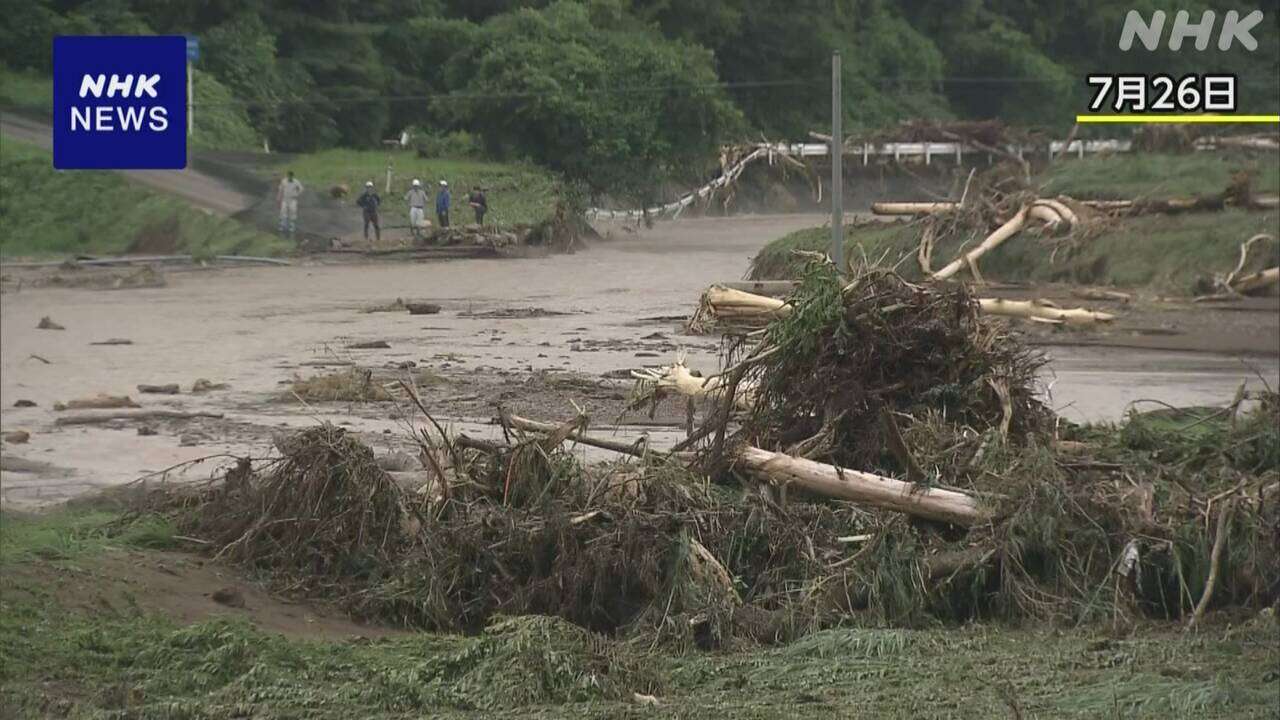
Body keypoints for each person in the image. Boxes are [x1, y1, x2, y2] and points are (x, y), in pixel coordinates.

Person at [276, 170, 303, 238]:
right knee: (283, 211)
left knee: (293, 211)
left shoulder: (296, 181)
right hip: (285, 199)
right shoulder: (284, 181)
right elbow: (280, 189)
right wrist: (279, 197)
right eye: (288, 176)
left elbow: (301, 189)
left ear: (292, 176)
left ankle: (292, 226)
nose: (289, 177)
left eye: (290, 176)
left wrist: (297, 194)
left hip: (292, 199)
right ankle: (283, 226)